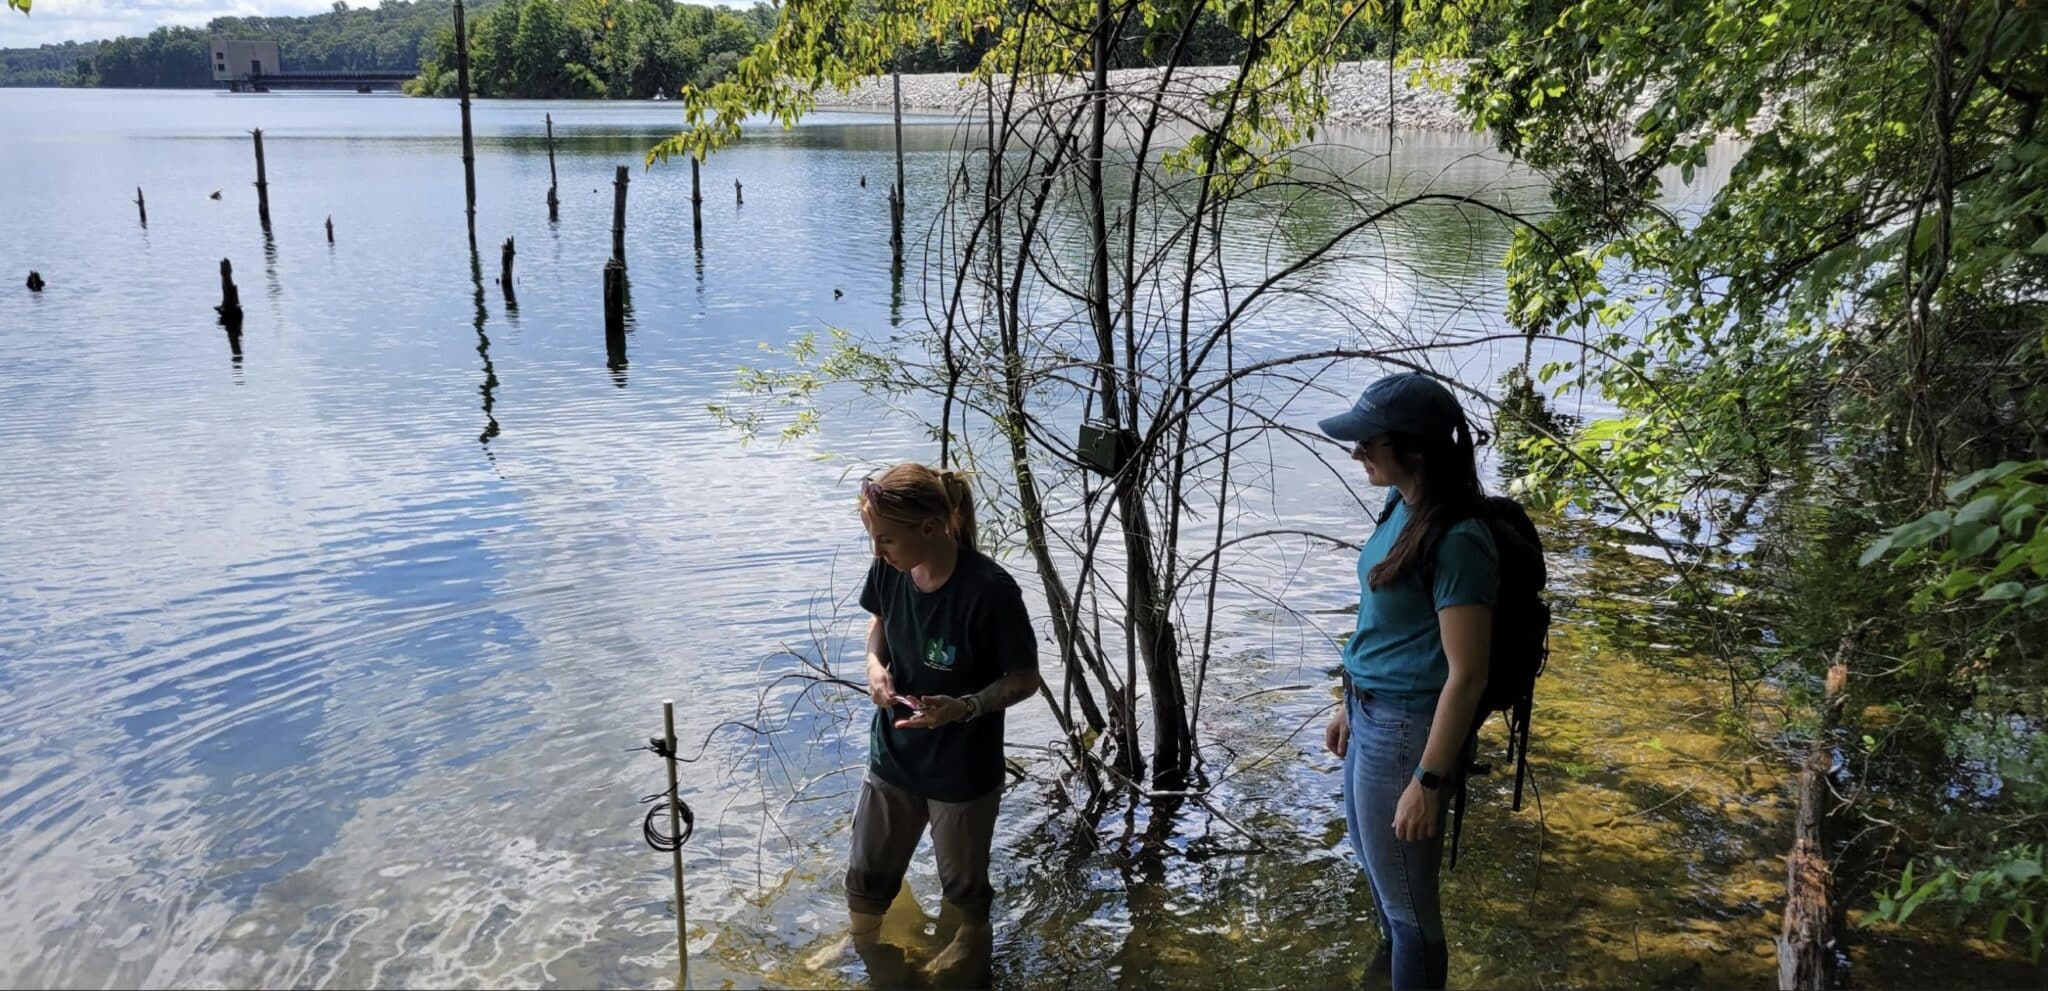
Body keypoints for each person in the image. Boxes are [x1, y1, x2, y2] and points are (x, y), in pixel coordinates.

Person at [1316, 372, 1498, 991]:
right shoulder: (1401, 504)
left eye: (1369, 441)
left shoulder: (1459, 539)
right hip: (1368, 714)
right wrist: (1347, 701)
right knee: (1381, 881)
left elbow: (1468, 676)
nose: (1357, 452)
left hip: (1407, 732)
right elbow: (1379, 619)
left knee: (1411, 912)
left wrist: (1428, 779)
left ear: (1414, 449)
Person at [837, 462, 1042, 987]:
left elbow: (1025, 679)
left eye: (886, 539)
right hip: (893, 755)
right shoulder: (889, 570)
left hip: (961, 770)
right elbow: (879, 623)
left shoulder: (990, 590)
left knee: (963, 887)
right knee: (866, 872)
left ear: (929, 528)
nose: (877, 551)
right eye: (872, 538)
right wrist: (874, 666)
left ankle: (970, 939)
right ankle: (860, 938)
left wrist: (963, 707)